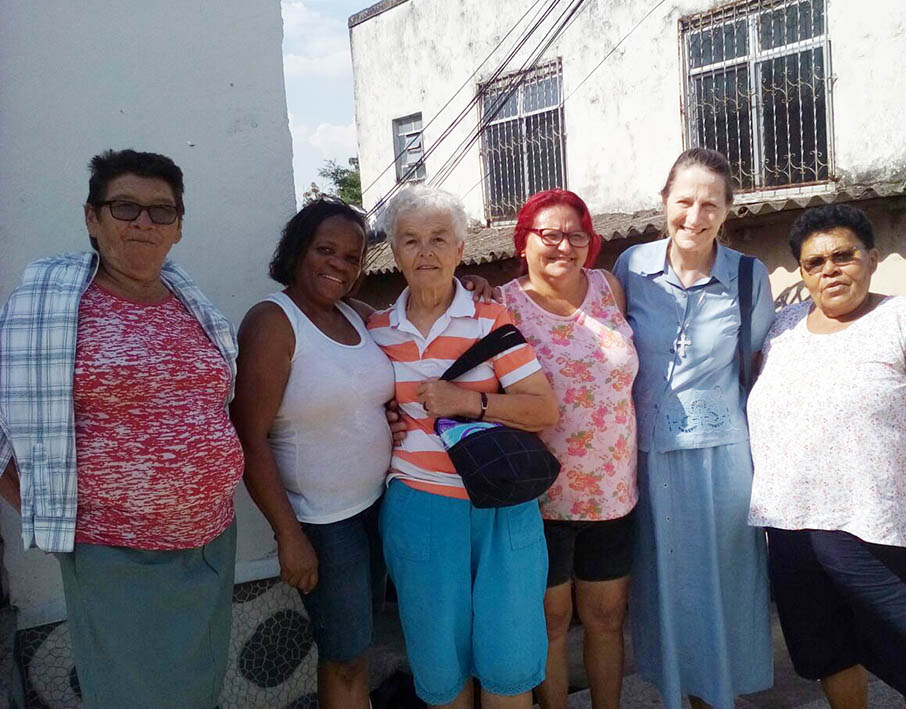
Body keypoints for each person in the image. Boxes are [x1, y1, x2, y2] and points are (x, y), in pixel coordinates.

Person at [0, 149, 243, 708]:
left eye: (162, 211)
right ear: (93, 217)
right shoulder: (50, 307)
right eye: (125, 206)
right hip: (114, 553)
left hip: (209, 543)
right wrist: (55, 520)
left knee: (195, 693)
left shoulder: (192, 305)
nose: (143, 223)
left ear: (179, 227)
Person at [747, 204, 906, 709]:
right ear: (803, 273)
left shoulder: (905, 321)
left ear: (872, 258)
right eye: (815, 262)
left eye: (843, 255)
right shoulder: (782, 328)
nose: (830, 269)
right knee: (826, 652)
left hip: (879, 527)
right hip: (791, 528)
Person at [366, 184, 559, 709]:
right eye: (410, 240)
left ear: (459, 249)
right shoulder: (376, 331)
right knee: (441, 667)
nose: (425, 251)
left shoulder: (492, 319)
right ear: (394, 250)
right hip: (420, 508)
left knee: (508, 667)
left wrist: (466, 402)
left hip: (502, 510)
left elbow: (543, 410)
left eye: (438, 239)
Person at [612, 147, 775, 708]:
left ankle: (720, 695)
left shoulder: (749, 277)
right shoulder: (630, 268)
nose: (695, 215)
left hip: (724, 460)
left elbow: (756, 370)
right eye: (684, 200)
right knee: (663, 585)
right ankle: (676, 693)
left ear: (727, 211)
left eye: (711, 204)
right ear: (665, 202)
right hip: (649, 457)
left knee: (725, 585)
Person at [229, 198, 396, 709]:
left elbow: (417, 323)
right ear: (299, 250)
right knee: (343, 656)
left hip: (377, 507)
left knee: (361, 648)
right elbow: (248, 437)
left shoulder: (356, 315)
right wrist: (289, 535)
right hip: (323, 523)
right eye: (326, 250)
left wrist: (470, 288)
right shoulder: (273, 321)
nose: (339, 266)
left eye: (351, 258)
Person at [497, 189, 638, 709]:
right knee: (551, 624)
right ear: (524, 242)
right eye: (549, 235)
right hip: (541, 499)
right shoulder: (501, 304)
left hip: (613, 494)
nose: (563, 246)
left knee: (606, 619)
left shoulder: (609, 288)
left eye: (575, 235)